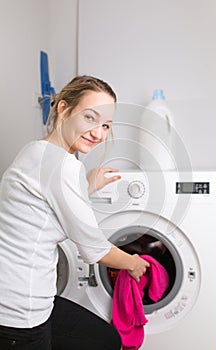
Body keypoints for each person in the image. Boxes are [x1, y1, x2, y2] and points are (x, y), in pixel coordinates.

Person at [0, 75, 149, 350]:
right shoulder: (65, 166)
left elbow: (45, 207)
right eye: (90, 118)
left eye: (105, 125)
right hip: (19, 313)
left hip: (18, 296)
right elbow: (96, 251)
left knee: (104, 339)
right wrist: (134, 263)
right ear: (64, 109)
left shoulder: (34, 150)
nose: (99, 133)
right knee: (104, 341)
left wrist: (87, 186)